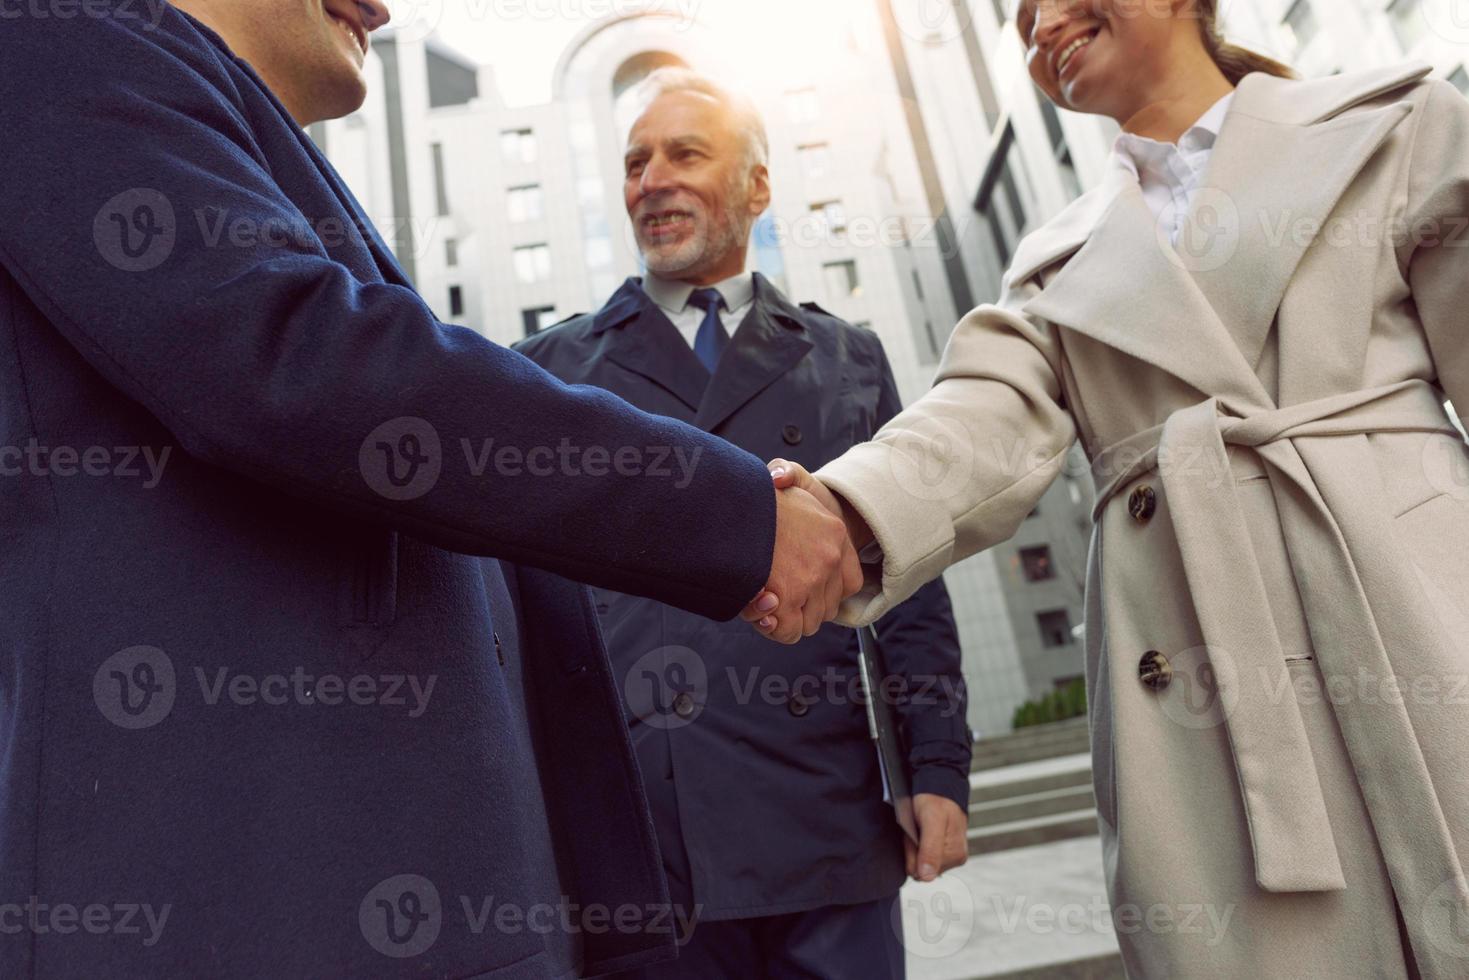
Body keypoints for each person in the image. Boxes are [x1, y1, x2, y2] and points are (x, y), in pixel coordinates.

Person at [0, 3, 861, 976]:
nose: (383, 6)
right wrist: (735, 512)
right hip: (249, 900)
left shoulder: (207, 123)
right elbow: (307, 360)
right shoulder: (58, 35)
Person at [752, 0, 1469, 975]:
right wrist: (840, 513)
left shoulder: (1396, 122)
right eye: (1017, 14)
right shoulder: (1051, 263)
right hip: (1206, 725)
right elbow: (981, 419)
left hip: (1423, 632)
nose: (1039, 19)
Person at [515, 68, 971, 979]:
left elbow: (907, 581)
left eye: (686, 153)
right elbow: (524, 621)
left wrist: (938, 770)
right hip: (640, 841)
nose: (652, 180)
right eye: (636, 162)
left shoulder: (845, 355)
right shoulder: (548, 368)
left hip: (825, 819)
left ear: (757, 186)